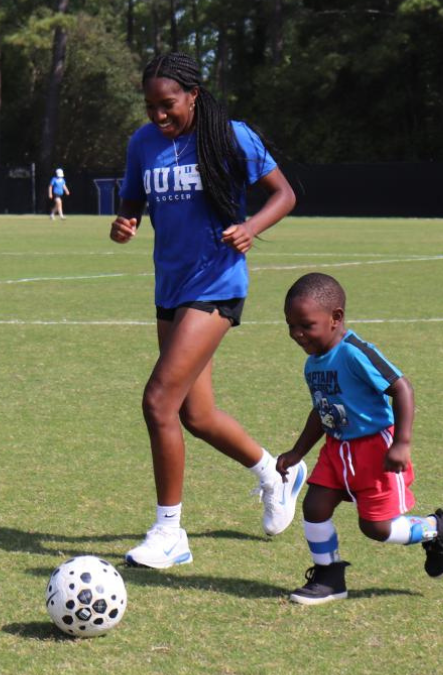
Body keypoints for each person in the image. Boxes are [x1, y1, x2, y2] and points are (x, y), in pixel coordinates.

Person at [109, 52, 304, 569]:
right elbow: (132, 201)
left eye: (167, 105)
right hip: (170, 288)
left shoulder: (231, 135)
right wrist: (124, 222)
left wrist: (252, 226)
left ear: (193, 94)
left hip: (217, 284)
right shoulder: (142, 142)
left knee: (157, 403)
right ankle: (275, 473)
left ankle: (169, 533)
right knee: (195, 414)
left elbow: (284, 193)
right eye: (150, 106)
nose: (158, 116)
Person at [277, 273, 443, 604]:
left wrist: (402, 443)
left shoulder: (354, 352)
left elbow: (401, 387)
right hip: (336, 450)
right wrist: (297, 452)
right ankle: (328, 576)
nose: (297, 334)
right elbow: (322, 411)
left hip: (374, 451)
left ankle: (439, 528)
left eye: (306, 325)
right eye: (290, 325)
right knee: (314, 505)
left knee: (376, 528)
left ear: (335, 318)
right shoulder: (313, 364)